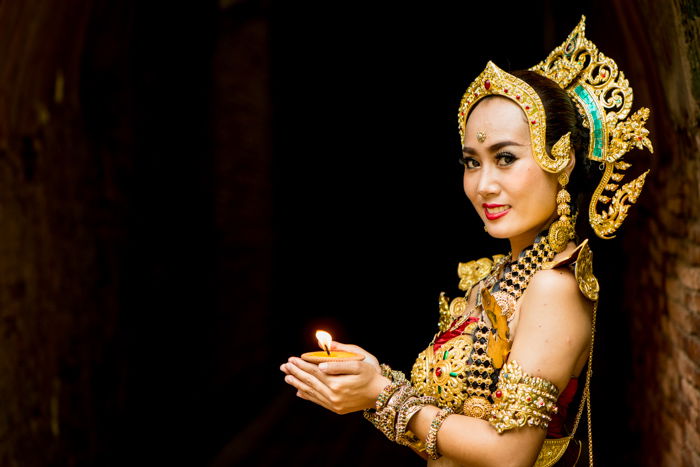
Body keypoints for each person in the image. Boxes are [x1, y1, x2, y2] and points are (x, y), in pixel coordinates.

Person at [280, 17, 652, 466]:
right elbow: (448, 423)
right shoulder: (497, 276)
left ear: (563, 161)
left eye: (506, 158)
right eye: (472, 162)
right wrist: (370, 381)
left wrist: (381, 394)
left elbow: (510, 454)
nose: (484, 185)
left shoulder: (553, 288)